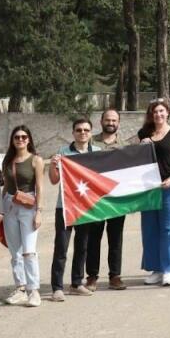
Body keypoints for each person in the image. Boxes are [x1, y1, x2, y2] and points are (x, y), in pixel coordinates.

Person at [47, 118, 100, 301]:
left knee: (82, 246)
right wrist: (54, 166)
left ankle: (77, 283)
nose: (82, 133)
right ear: (73, 133)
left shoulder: (98, 153)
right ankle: (57, 287)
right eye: (79, 130)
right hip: (65, 206)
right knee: (61, 247)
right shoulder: (63, 152)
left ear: (91, 133)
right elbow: (54, 181)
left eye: (86, 130)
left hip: (86, 207)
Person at [138, 99, 170, 286]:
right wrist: (140, 146)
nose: (158, 115)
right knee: (150, 228)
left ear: (167, 113)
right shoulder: (144, 133)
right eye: (155, 112)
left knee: (168, 228)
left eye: (161, 111)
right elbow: (136, 160)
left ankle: (168, 269)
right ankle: (156, 269)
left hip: (169, 187)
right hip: (149, 189)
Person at [0, 125, 45, 307]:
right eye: (17, 137)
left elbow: (40, 187)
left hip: (28, 205)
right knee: (14, 251)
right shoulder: (7, 160)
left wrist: (39, 212)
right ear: (12, 140)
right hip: (10, 205)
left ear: (29, 140)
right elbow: (5, 186)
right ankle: (20, 287)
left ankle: (34, 290)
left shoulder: (36, 160)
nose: (20, 140)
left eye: (24, 137)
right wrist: (0, 210)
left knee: (29, 250)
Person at [89, 108, 128, 290]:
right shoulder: (90, 141)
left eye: (114, 120)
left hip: (116, 199)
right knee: (93, 238)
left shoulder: (125, 146)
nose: (110, 123)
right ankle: (92, 277)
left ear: (118, 123)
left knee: (115, 238)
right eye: (107, 120)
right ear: (101, 121)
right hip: (95, 199)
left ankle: (115, 276)